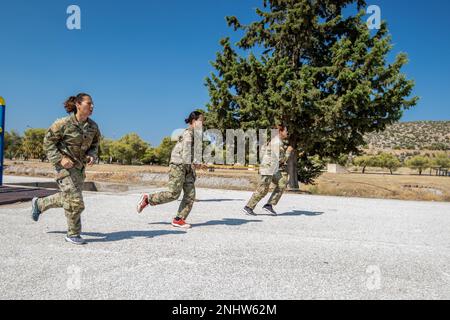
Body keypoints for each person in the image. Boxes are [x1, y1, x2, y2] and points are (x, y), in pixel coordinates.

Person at [31, 93, 100, 245]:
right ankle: (73, 234)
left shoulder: (93, 127)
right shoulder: (62, 124)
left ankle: (40, 204)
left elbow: (95, 145)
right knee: (75, 201)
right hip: (63, 168)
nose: (92, 106)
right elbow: (47, 142)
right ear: (78, 105)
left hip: (79, 169)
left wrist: (92, 156)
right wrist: (60, 159)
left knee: (68, 198)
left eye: (92, 104)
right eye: (89, 103)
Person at [136, 111, 205, 229]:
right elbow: (186, 154)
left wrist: (197, 163)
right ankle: (148, 199)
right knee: (173, 194)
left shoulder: (195, 135)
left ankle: (179, 219)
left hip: (187, 167)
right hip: (178, 165)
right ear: (193, 122)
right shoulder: (188, 134)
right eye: (201, 121)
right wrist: (195, 163)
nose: (202, 124)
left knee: (190, 194)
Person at [243, 124, 293, 216]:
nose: (287, 133)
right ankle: (248, 207)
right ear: (280, 132)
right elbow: (280, 159)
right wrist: (288, 152)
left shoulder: (279, 142)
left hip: (273, 168)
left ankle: (269, 205)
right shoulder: (276, 142)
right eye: (286, 131)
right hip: (268, 169)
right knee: (263, 189)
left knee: (282, 183)